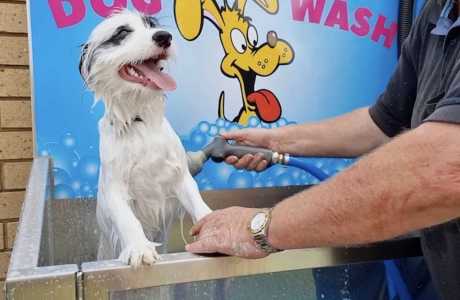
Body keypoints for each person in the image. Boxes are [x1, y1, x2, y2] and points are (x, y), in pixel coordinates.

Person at [185, 0, 460, 299]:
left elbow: (442, 169)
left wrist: (259, 228)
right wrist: (275, 140)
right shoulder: (438, 12)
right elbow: (382, 123)